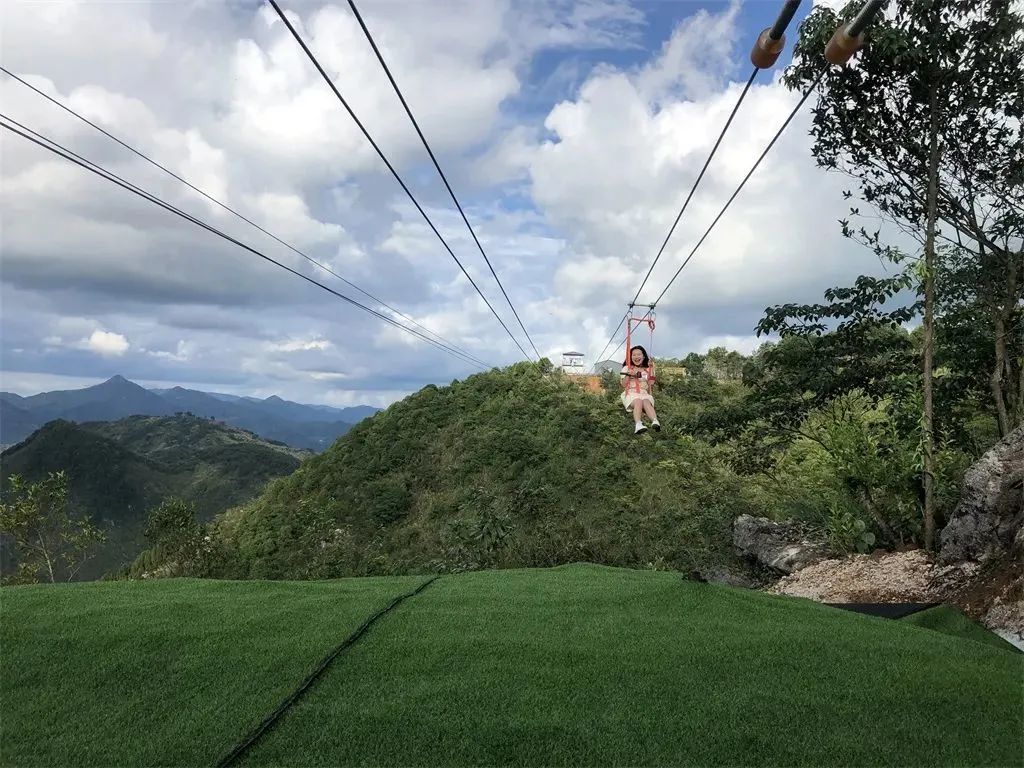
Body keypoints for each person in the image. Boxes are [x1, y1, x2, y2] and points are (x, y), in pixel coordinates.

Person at [620, 345, 660, 435]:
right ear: (630, 357)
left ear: (643, 356)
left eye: (639, 355)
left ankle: (655, 421)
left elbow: (651, 383)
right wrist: (628, 375)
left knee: (645, 401)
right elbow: (623, 384)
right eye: (634, 355)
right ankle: (638, 424)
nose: (636, 357)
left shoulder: (648, 369)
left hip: (644, 393)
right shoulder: (627, 368)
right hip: (631, 393)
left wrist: (651, 368)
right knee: (638, 401)